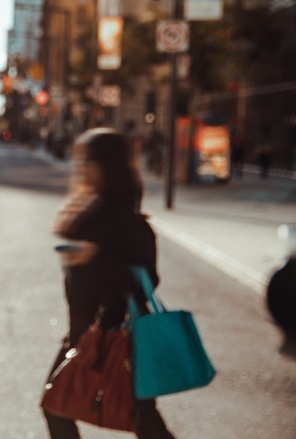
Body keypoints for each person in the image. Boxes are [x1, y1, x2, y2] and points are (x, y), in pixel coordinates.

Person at [44, 128, 176, 439]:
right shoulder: (91, 207)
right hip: (82, 333)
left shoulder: (131, 223)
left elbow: (146, 281)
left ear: (108, 165)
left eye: (87, 160)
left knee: (144, 421)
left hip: (119, 337)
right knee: (57, 406)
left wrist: (94, 256)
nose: (80, 167)